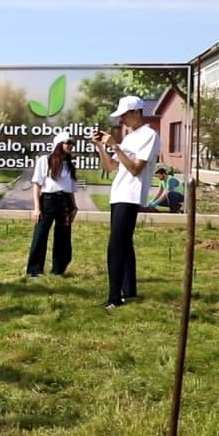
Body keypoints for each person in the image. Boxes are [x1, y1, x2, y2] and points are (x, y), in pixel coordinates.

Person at [92, 95, 160, 309]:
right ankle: (129, 290)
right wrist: (101, 147)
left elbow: (135, 168)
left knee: (117, 247)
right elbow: (111, 167)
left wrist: (115, 146)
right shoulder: (130, 137)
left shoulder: (149, 135)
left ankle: (115, 297)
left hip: (130, 196)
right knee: (125, 244)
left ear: (137, 112)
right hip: (118, 195)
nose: (121, 119)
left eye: (124, 115)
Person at [25, 131, 78, 277]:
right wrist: (37, 208)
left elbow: (70, 188)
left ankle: (58, 270)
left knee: (63, 236)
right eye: (68, 143)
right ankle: (34, 271)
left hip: (65, 202)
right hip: (48, 200)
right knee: (40, 235)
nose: (70, 146)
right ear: (59, 144)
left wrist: (74, 207)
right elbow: (37, 184)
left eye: (72, 143)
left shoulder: (70, 164)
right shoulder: (45, 160)